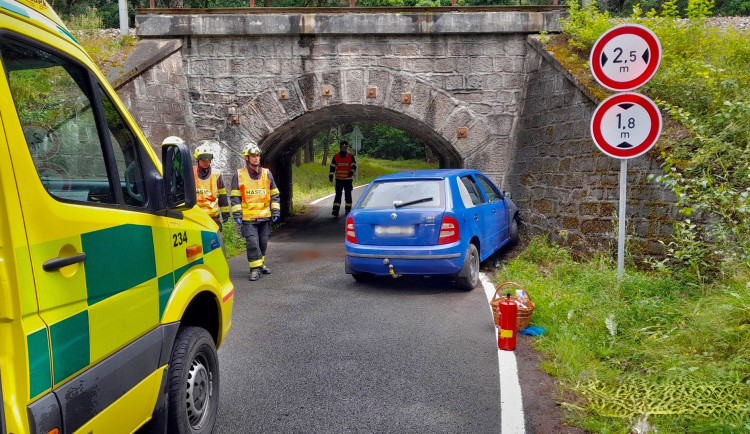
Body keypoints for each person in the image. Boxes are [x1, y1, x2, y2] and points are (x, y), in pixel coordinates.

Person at [231, 142, 280, 281]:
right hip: (248, 219)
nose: (256, 158)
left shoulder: (267, 173)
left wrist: (275, 212)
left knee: (263, 243)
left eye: (257, 156)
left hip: (264, 217)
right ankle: (254, 270)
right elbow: (235, 197)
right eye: (253, 156)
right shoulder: (239, 175)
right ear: (247, 158)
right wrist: (237, 214)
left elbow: (275, 194)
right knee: (252, 243)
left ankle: (260, 264)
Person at [192, 143, 229, 230]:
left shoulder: (216, 174)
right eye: (203, 160)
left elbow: (222, 195)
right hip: (196, 216)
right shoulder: (191, 172)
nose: (206, 162)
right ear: (197, 159)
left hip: (213, 217)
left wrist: (225, 213)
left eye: (208, 160)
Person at [328, 140, 357, 217]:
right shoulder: (336, 156)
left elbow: (354, 166)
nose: (344, 148)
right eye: (343, 147)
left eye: (345, 147)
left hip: (347, 180)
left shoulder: (351, 156)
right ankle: (335, 210)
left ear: (347, 148)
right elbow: (332, 166)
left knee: (348, 195)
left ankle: (348, 210)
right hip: (339, 179)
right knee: (338, 195)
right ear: (340, 147)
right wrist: (331, 176)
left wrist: (351, 172)